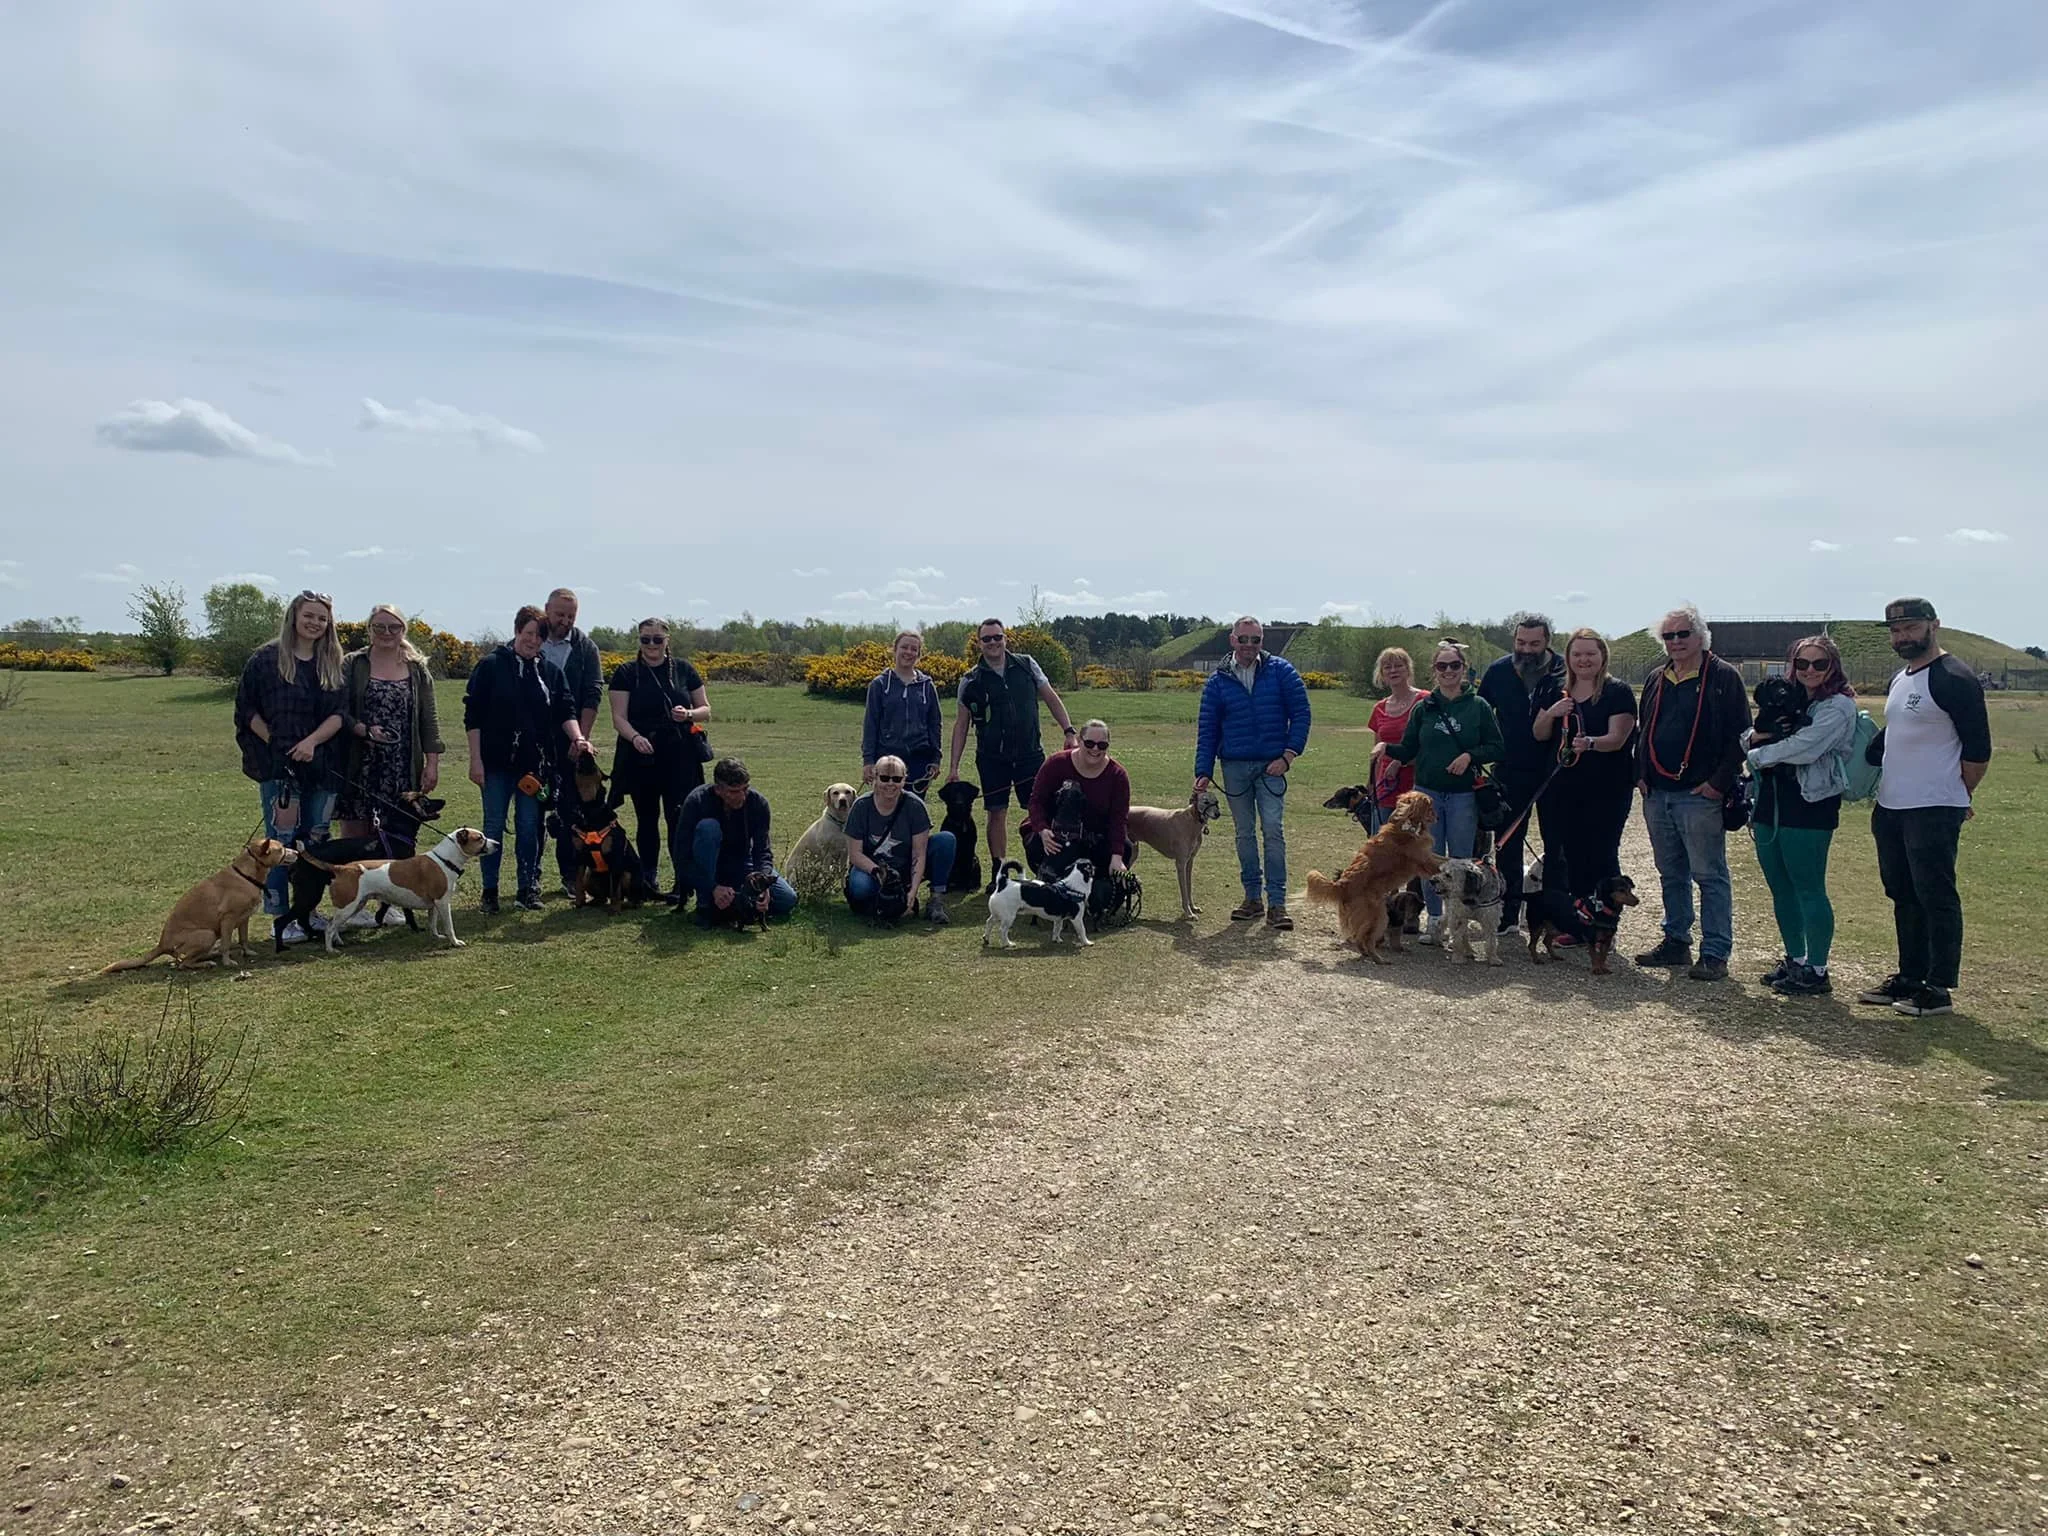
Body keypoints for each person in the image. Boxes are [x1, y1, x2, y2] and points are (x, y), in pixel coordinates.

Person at [1858, 597, 1992, 1018]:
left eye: (1911, 628)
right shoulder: (1902, 678)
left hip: (1933, 805)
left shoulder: (1954, 677)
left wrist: (1958, 795)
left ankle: (1938, 987)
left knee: (1936, 895)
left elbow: (1978, 749)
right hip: (1892, 804)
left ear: (1934, 625)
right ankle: (1910, 975)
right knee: (1902, 892)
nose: (1903, 637)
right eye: (1896, 630)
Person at [1633, 604, 1751, 981]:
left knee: (1709, 874)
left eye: (1683, 634)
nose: (1676, 641)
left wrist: (1718, 783)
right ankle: (1676, 940)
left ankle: (1715, 951)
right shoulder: (1657, 677)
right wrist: (1641, 773)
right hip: (1658, 793)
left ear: (1701, 636)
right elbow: (1644, 729)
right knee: (1670, 873)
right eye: (1668, 636)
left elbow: (1741, 735)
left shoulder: (1723, 676)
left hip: (1700, 795)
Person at [1743, 635, 1858, 998]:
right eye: (1802, 663)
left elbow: (1806, 748)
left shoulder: (1838, 705)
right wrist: (1756, 741)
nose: (1810, 670)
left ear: (1833, 666)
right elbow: (1748, 735)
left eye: (1819, 663)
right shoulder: (1785, 697)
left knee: (1808, 886)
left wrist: (1758, 754)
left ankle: (1817, 969)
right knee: (1780, 886)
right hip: (1770, 798)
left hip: (1810, 802)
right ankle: (1796, 958)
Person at [463, 605, 595, 913]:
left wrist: (578, 738)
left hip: (534, 766)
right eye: (529, 633)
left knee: (528, 825)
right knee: (493, 826)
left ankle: (527, 889)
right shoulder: (491, 665)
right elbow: (473, 715)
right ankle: (490, 892)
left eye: (539, 636)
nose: (533, 641)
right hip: (495, 762)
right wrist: (475, 759)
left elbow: (565, 710)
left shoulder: (550, 672)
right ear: (517, 631)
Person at [233, 589, 347, 940]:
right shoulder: (266, 659)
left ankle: (307, 912)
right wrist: (278, 744)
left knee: (316, 840)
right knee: (280, 843)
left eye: (322, 618)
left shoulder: (332, 662)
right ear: (294, 617)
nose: (315, 623)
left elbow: (340, 714)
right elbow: (246, 709)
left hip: (323, 766)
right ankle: (280, 917)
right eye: (308, 615)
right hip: (279, 768)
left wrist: (311, 743)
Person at [1193, 617, 1312, 931]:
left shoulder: (1282, 671)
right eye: (1243, 639)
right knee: (1244, 833)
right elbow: (1208, 729)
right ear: (1232, 640)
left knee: (1272, 831)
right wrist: (1203, 770)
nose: (1249, 645)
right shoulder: (1217, 681)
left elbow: (1301, 714)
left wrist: (1288, 756)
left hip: (1272, 766)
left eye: (1255, 640)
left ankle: (1278, 903)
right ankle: (1252, 898)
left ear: (1262, 641)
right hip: (1234, 767)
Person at [1383, 638, 1503, 945]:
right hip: (1427, 794)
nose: (1448, 671)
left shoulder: (1478, 706)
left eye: (1454, 665)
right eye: (1442, 666)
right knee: (1429, 860)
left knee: (1460, 861)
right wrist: (1386, 749)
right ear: (1434, 670)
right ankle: (1434, 921)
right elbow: (1409, 747)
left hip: (1463, 795)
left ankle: (1457, 923)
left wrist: (1469, 756)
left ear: (1464, 668)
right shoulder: (1424, 708)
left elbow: (1496, 746)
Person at [946, 617, 1079, 877]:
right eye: (987, 639)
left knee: (1042, 810)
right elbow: (961, 725)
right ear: (979, 643)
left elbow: (1051, 697)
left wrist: (1069, 731)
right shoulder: (970, 680)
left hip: (1030, 755)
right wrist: (953, 767)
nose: (993, 642)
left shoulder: (1026, 665)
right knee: (996, 812)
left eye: (998, 637)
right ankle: (1000, 871)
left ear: (1005, 639)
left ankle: (1049, 866)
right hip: (991, 758)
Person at [1530, 628, 1638, 908]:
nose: (1583, 660)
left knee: (1600, 854)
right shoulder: (1554, 689)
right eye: (1577, 654)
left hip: (1605, 790)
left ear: (1603, 656)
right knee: (1558, 854)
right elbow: (1539, 734)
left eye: (1590, 653)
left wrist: (1590, 743)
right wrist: (1552, 713)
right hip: (1558, 791)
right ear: (1568, 657)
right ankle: (1563, 915)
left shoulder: (1618, 692)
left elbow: (1617, 739)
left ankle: (1601, 916)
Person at [607, 616, 710, 902]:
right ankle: (648, 878)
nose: (651, 644)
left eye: (657, 639)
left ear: (667, 641)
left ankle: (682, 879)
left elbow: (705, 709)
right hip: (642, 755)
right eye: (645, 639)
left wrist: (688, 714)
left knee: (679, 818)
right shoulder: (626, 672)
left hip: (680, 755)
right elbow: (618, 718)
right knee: (647, 818)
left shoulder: (684, 669)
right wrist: (635, 738)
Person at [1478, 612, 1567, 934]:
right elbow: (1480, 712)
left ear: (1547, 642)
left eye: (1534, 643)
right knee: (1507, 845)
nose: (1526, 649)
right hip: (1510, 771)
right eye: (1521, 642)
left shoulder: (1565, 671)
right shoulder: (1499, 671)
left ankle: (1556, 916)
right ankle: (1508, 913)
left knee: (1558, 846)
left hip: (1555, 772)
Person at [335, 604, 444, 838]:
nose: (386, 632)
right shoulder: (352, 663)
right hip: (359, 762)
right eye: (379, 627)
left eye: (394, 627)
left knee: (398, 838)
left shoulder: (417, 669)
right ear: (369, 629)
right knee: (355, 839)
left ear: (403, 630)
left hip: (402, 766)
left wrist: (432, 765)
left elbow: (429, 720)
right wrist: (363, 730)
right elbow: (337, 709)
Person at [677, 756, 798, 925]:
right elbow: (682, 858)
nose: (742, 797)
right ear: (718, 789)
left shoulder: (758, 803)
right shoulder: (696, 802)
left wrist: (762, 884)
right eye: (734, 792)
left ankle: (739, 904)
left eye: (745, 789)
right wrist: (712, 886)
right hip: (708, 865)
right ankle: (706, 903)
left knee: (787, 899)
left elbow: (762, 851)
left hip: (742, 863)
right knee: (708, 828)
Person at [1022, 718, 1135, 898]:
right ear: (1080, 741)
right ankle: (1049, 879)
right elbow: (1036, 801)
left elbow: (1118, 819)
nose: (1095, 749)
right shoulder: (1056, 763)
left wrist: (1117, 856)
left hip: (1094, 838)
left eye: (1102, 745)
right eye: (1089, 743)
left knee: (1125, 850)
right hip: (1057, 835)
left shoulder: (1117, 776)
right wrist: (1042, 830)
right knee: (1038, 843)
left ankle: (1096, 887)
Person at [540, 588, 604, 898]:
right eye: (560, 614)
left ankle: (570, 875)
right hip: (533, 743)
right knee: (533, 811)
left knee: (570, 811)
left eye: (571, 616)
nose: (565, 621)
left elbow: (593, 694)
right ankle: (531, 879)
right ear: (547, 610)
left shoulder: (585, 648)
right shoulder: (531, 640)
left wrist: (581, 739)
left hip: (571, 741)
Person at [844, 754, 957, 924]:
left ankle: (935, 898)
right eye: (884, 778)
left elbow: (919, 854)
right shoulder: (861, 806)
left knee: (946, 840)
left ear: (904, 780)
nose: (890, 784)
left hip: (906, 865)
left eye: (896, 779)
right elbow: (855, 854)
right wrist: (878, 872)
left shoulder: (915, 805)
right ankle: (885, 901)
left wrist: (913, 891)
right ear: (875, 778)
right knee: (860, 887)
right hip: (874, 867)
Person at [862, 631, 944, 796]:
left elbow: (935, 724)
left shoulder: (926, 685)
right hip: (887, 758)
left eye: (914, 649)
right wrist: (868, 760)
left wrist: (935, 759)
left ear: (918, 654)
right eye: (904, 647)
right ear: (895, 650)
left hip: (919, 759)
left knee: (914, 807)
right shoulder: (880, 684)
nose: (908, 652)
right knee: (886, 806)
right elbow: (871, 724)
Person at [1365, 647, 1421, 831]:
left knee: (1413, 840)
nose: (1393, 670)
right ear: (1382, 673)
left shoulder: (1424, 701)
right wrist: (1371, 783)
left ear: (1408, 669)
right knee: (1382, 840)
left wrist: (1400, 761)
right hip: (1386, 786)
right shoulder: (1379, 708)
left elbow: (1431, 745)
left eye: (1398, 665)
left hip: (1417, 784)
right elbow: (1376, 752)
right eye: (1387, 667)